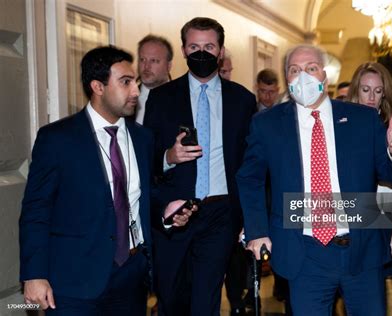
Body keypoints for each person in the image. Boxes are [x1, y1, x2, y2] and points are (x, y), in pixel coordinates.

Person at [236, 44, 392, 315]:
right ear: (287, 79)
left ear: (324, 77)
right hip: (304, 253)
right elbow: (250, 178)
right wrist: (257, 230)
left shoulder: (362, 120)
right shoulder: (268, 124)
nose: (304, 76)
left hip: (361, 250)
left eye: (311, 68)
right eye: (295, 70)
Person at [19, 46, 194, 316]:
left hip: (132, 276)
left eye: (135, 82)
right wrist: (34, 274)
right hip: (74, 282)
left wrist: (166, 212)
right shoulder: (57, 139)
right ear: (97, 86)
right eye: (125, 82)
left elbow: (142, 194)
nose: (136, 91)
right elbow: (36, 211)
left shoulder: (143, 138)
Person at [143, 17, 256, 315]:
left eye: (209, 46)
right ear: (183, 50)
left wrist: (249, 217)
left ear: (220, 51)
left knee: (206, 300)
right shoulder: (161, 98)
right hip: (175, 211)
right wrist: (169, 157)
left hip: (221, 212)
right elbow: (145, 159)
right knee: (171, 297)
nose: (201, 53)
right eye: (194, 46)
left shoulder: (243, 100)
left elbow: (251, 162)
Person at [347, 61, 392, 312]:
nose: (371, 97)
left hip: (380, 220)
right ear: (356, 91)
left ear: (384, 93)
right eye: (365, 89)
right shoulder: (339, 128)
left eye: (377, 90)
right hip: (346, 219)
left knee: (373, 289)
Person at [135, 34, 173, 124]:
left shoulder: (183, 100)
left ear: (169, 66)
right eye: (142, 59)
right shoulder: (126, 99)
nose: (146, 66)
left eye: (154, 61)